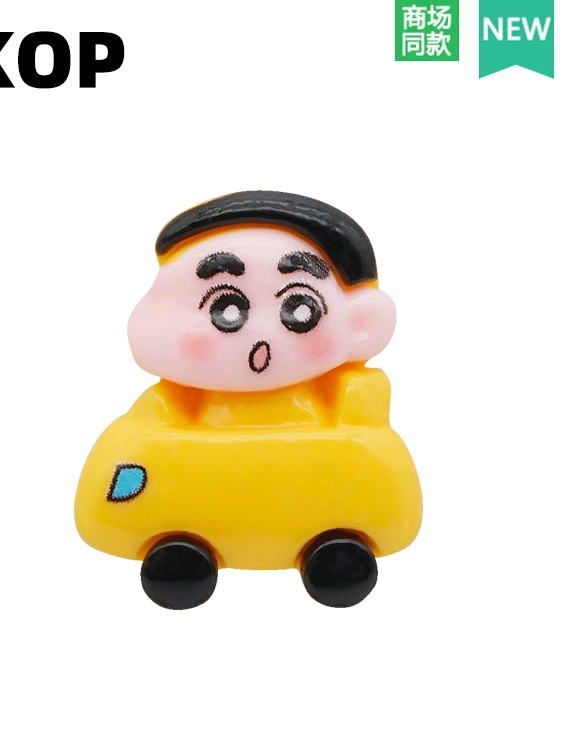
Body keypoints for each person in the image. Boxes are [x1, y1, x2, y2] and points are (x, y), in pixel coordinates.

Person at [75, 191, 421, 609]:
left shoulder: (343, 403)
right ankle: (184, 553)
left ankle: (330, 553)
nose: (262, 335)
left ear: (362, 323)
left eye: (299, 309)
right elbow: (148, 426)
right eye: (226, 308)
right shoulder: (174, 404)